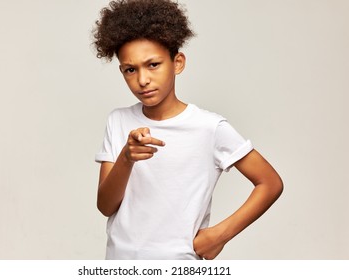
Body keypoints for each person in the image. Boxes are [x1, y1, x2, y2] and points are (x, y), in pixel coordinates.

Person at [93, 0, 283, 260]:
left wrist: (219, 235)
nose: (142, 79)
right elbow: (105, 206)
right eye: (130, 69)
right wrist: (126, 158)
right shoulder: (118, 121)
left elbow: (270, 183)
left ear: (178, 62)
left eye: (153, 64)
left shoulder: (208, 127)